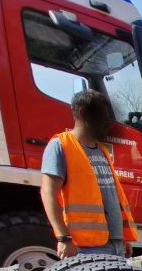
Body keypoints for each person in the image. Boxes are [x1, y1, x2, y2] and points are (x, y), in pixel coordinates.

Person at [40, 90, 137, 259]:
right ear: (84, 113)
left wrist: (122, 238)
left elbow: (111, 197)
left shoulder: (101, 150)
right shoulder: (60, 146)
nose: (108, 122)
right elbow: (48, 193)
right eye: (102, 116)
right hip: (86, 248)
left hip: (115, 244)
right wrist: (63, 237)